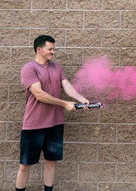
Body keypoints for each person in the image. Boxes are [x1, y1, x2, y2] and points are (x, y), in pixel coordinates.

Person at [15, 35, 89, 191]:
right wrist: (64, 103)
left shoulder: (57, 67)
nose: (53, 52)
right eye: (50, 49)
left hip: (55, 124)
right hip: (33, 125)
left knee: (51, 162)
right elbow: (40, 95)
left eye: (53, 49)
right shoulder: (29, 68)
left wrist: (82, 99)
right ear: (39, 49)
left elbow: (67, 86)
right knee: (24, 166)